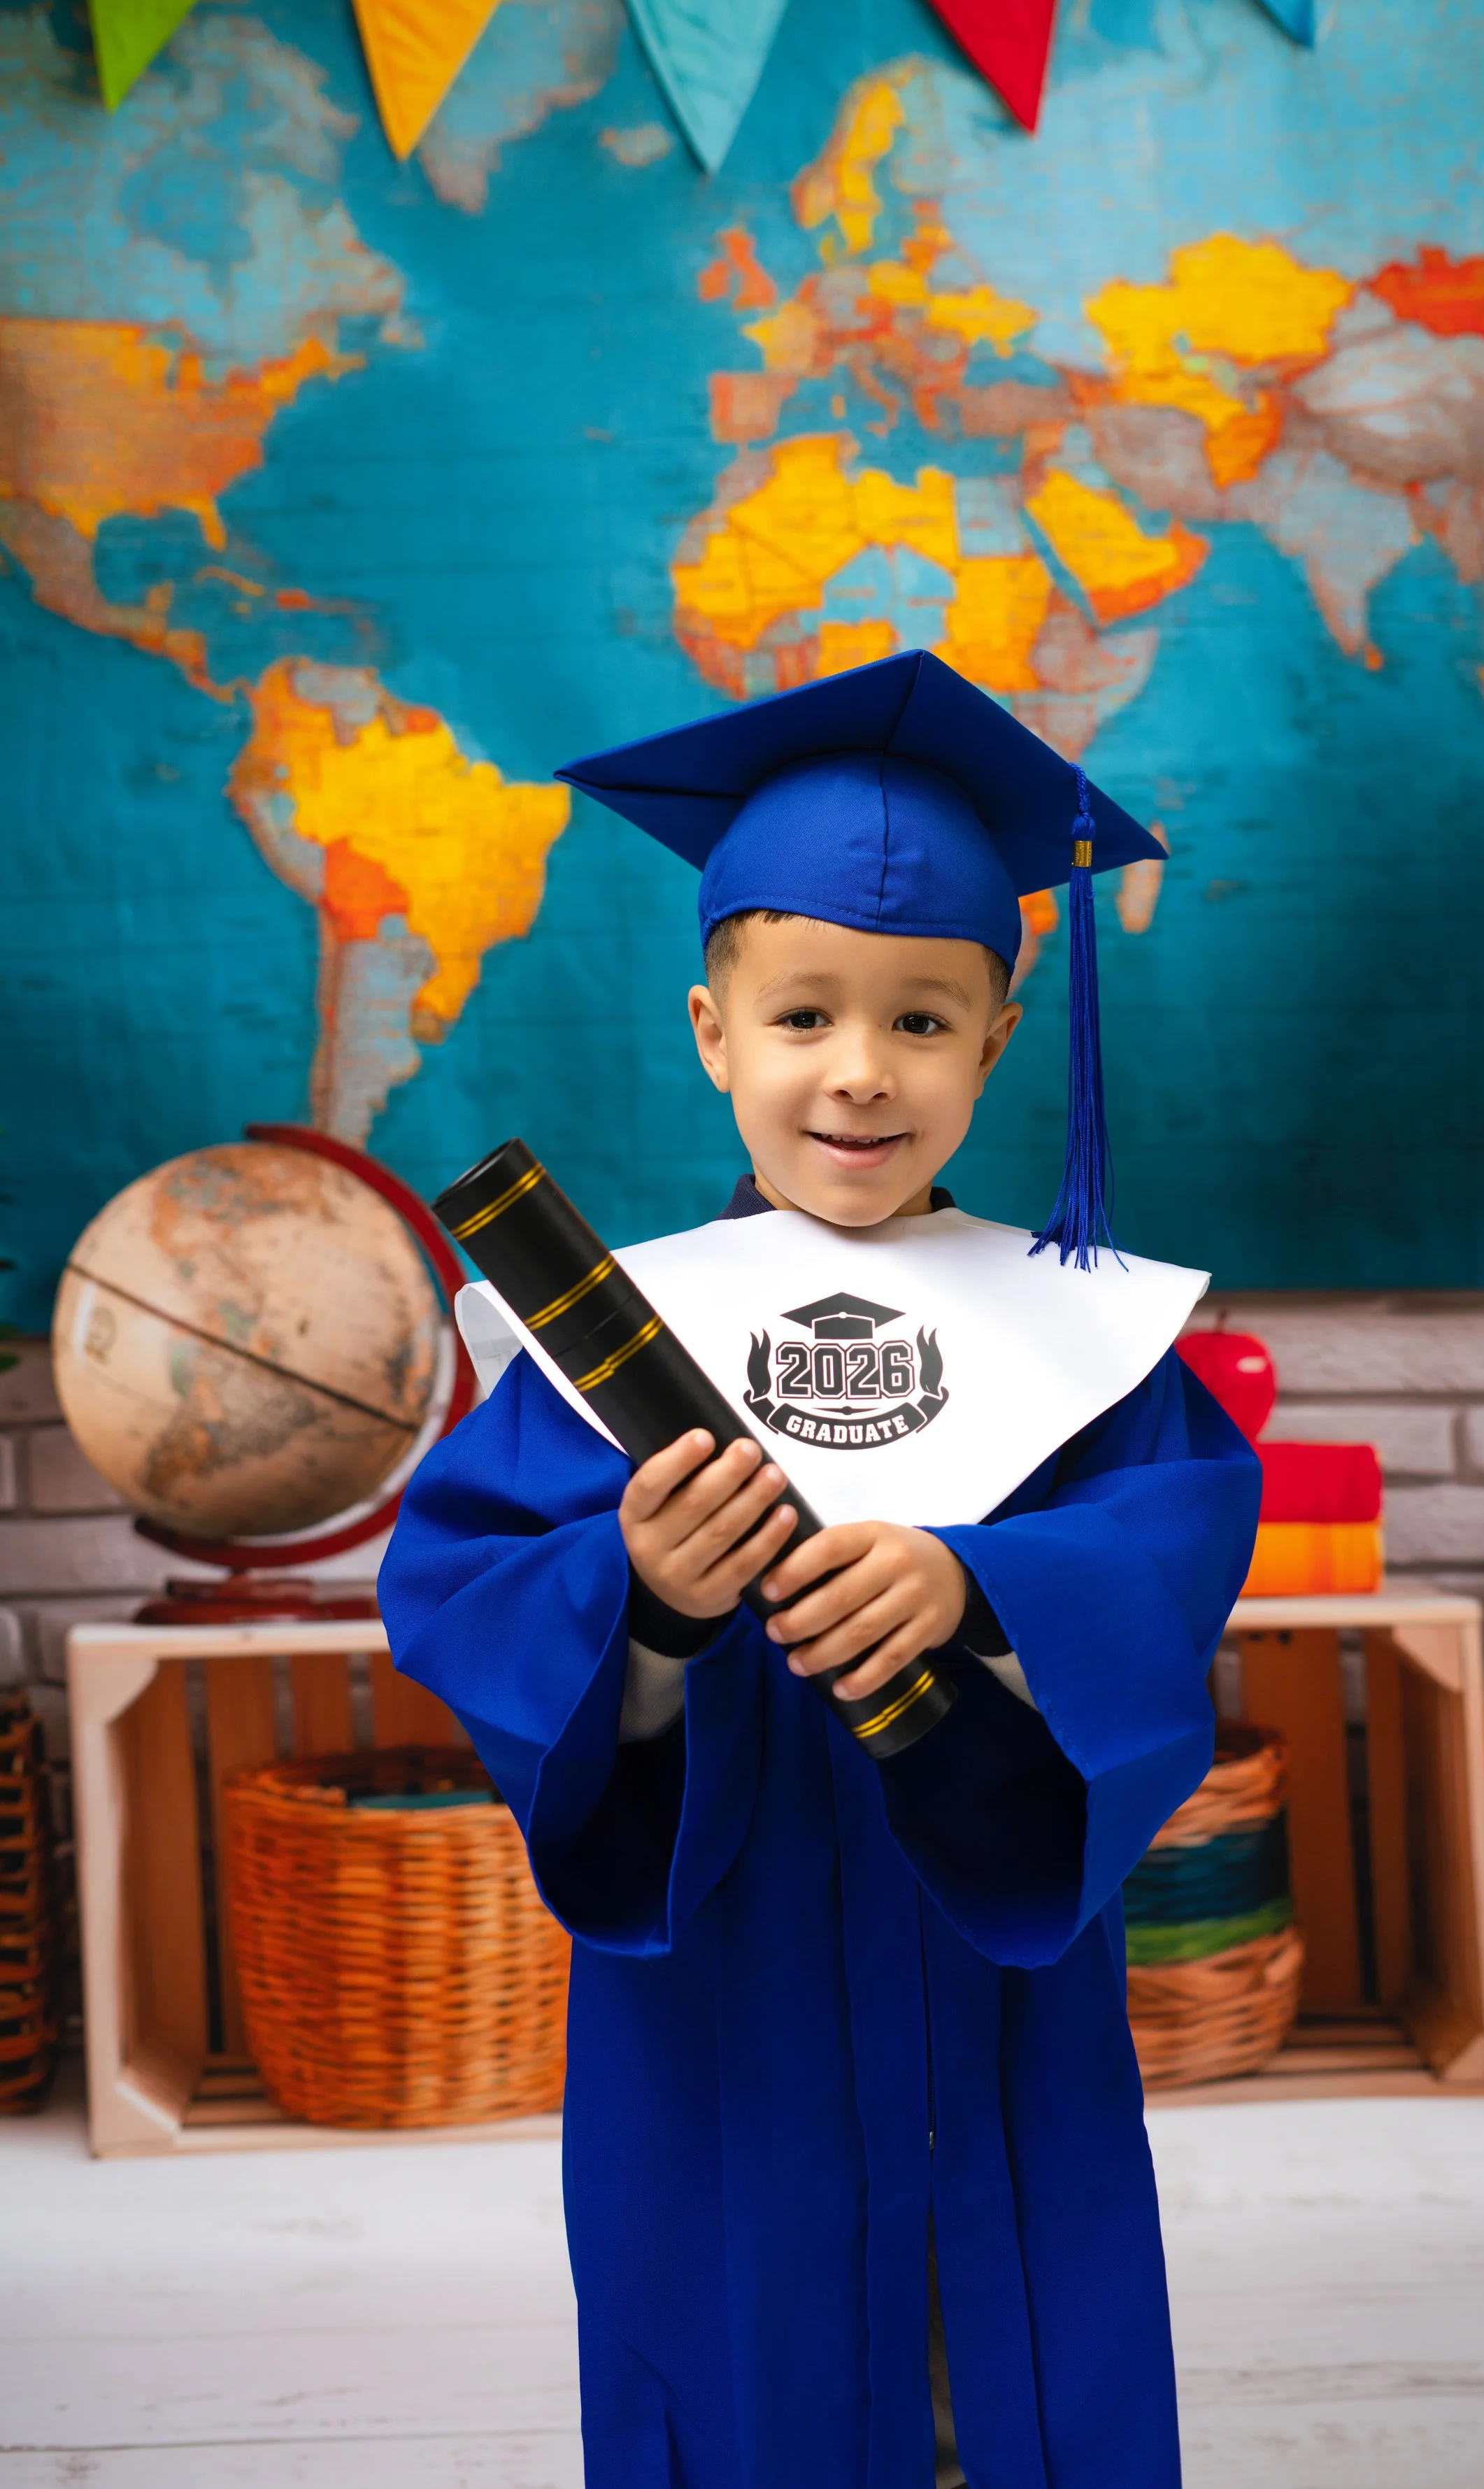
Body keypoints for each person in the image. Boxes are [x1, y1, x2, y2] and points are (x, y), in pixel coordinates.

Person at [378, 650, 1261, 2489]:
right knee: (738, 2345)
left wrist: (982, 1591)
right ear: (712, 1028)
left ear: (1001, 1033)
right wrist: (640, 1604)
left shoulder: (1080, 1336)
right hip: (726, 1982)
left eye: (923, 1020)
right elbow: (462, 1581)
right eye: (800, 1017)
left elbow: (1173, 1540)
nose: (858, 1073)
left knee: (1005, 2367)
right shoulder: (605, 1347)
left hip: (988, 1982)